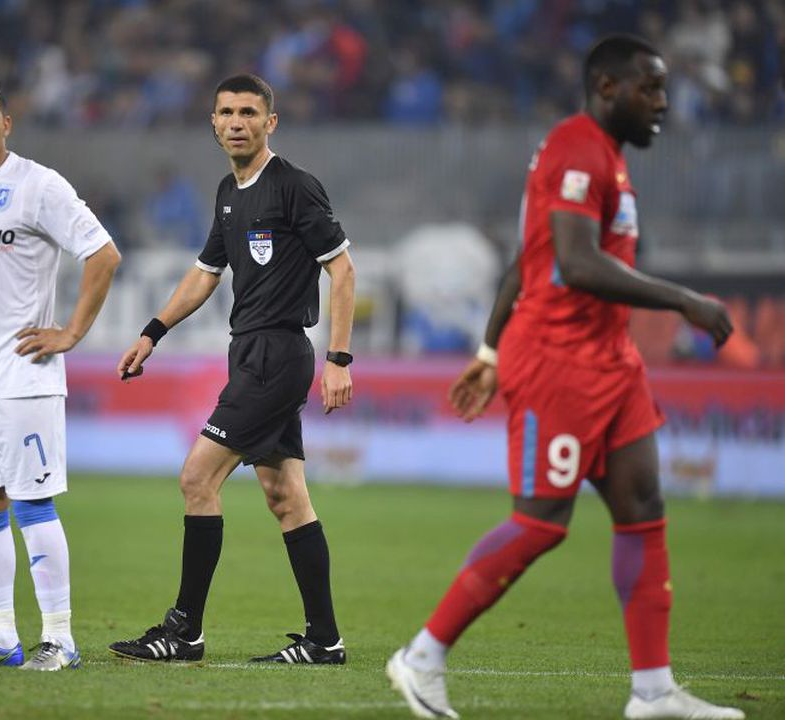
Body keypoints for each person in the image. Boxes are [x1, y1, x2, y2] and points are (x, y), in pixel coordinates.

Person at [386, 36, 745, 720]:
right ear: (608, 88)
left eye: (663, 89)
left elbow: (529, 257)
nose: (662, 103)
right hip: (559, 362)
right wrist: (683, 300)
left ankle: (653, 691)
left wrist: (488, 352)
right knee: (541, 523)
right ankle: (422, 657)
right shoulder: (576, 149)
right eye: (650, 88)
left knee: (642, 506)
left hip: (611, 361)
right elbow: (574, 264)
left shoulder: (605, 156)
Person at [108, 73, 356, 665]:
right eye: (227, 112)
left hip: (277, 356)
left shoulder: (294, 186)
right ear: (213, 123)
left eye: (249, 112)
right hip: (250, 352)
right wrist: (152, 331)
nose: (237, 122)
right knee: (285, 496)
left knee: (198, 479)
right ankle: (324, 640)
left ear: (271, 122)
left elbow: (343, 270)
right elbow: (205, 274)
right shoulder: (228, 191)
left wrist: (339, 359)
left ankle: (184, 632)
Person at [0, 74, 121, 671]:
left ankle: (60, 639)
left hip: (24, 376)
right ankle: (0, 638)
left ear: (6, 123)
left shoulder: (39, 186)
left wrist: (72, 333)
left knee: (33, 505)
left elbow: (104, 254)